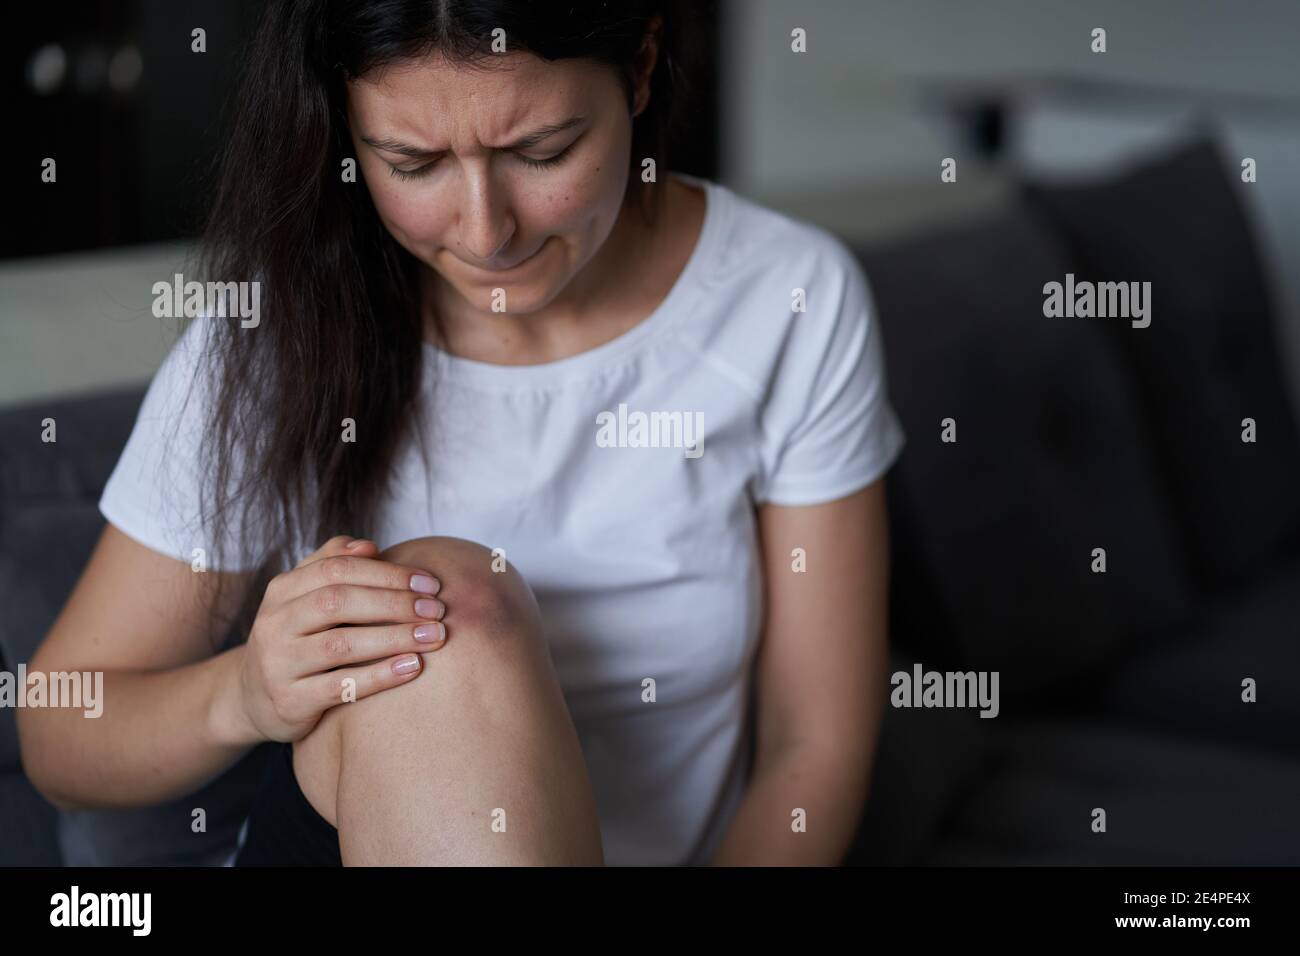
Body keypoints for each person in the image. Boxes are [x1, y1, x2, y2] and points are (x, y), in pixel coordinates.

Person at [18, 0, 906, 866]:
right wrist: (246, 694)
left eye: (542, 150)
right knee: (442, 604)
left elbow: (812, 746)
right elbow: (61, 728)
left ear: (639, 66)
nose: (487, 233)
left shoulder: (789, 296)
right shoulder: (275, 334)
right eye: (412, 162)